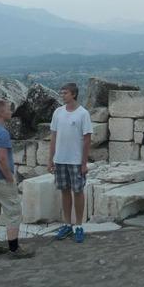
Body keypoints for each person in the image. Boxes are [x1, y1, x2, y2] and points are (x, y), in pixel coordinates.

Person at [0, 99, 33, 258]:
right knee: (14, 211)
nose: (11, 112)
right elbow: (2, 159)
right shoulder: (2, 133)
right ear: (1, 112)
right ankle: (14, 249)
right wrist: (10, 177)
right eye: (9, 109)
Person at [47, 82, 93, 243]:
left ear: (73, 94)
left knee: (78, 191)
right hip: (60, 159)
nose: (62, 95)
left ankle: (79, 225)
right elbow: (53, 136)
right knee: (64, 191)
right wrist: (50, 159)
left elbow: (87, 139)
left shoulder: (83, 114)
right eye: (62, 93)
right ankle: (67, 224)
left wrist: (84, 163)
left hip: (75, 160)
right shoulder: (58, 112)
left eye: (65, 93)